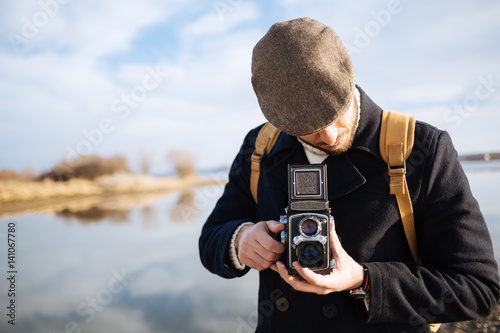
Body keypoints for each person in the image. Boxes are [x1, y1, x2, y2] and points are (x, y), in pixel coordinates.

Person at [198, 17, 500, 332]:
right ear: (277, 119)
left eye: (336, 112)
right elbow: (211, 239)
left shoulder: (420, 148)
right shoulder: (259, 147)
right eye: (307, 129)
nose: (328, 136)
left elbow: (477, 290)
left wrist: (365, 280)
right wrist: (240, 239)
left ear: (349, 74)